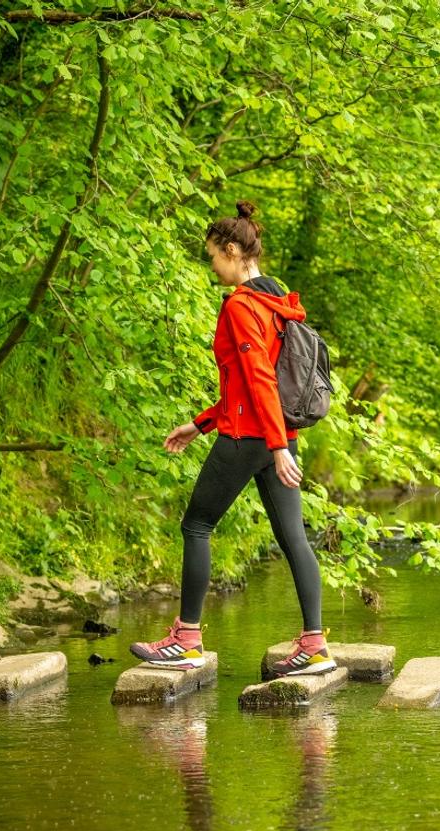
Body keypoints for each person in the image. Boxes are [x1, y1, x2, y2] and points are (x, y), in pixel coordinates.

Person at [130, 201, 335, 677]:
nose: (211, 267)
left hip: (251, 437)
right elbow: (246, 385)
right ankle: (315, 646)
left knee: (197, 525)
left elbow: (260, 378)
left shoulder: (242, 305)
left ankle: (186, 640)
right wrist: (201, 424)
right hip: (278, 432)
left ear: (231, 251)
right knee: (294, 538)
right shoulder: (277, 299)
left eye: (212, 257)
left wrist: (274, 447)